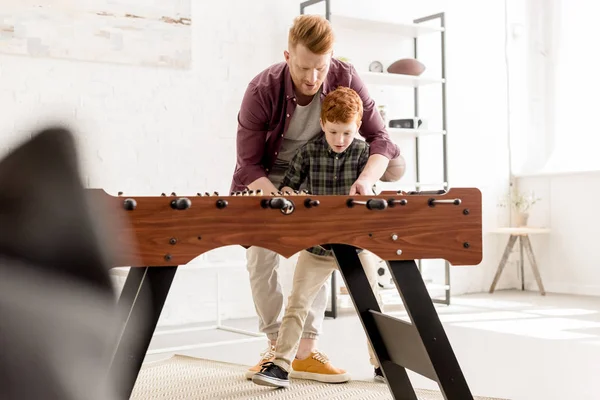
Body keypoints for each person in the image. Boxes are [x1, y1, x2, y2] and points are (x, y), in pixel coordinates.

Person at [230, 14, 400, 382]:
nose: (312, 78)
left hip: (326, 172)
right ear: (287, 55)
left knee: (319, 252)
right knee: (261, 262)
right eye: (304, 67)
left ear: (332, 57)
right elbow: (247, 164)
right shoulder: (261, 89)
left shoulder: (347, 75)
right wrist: (277, 198)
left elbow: (382, 139)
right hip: (270, 176)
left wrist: (367, 180)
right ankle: (278, 348)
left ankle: (305, 352)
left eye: (320, 68)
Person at [251, 86, 386, 388]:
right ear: (323, 124)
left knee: (371, 306)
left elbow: (373, 195)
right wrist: (288, 195)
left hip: (355, 245)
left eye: (347, 133)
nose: (340, 140)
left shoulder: (366, 155)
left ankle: (382, 365)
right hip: (317, 247)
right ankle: (280, 366)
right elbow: (287, 188)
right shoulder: (308, 152)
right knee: (297, 303)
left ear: (358, 128)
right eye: (334, 131)